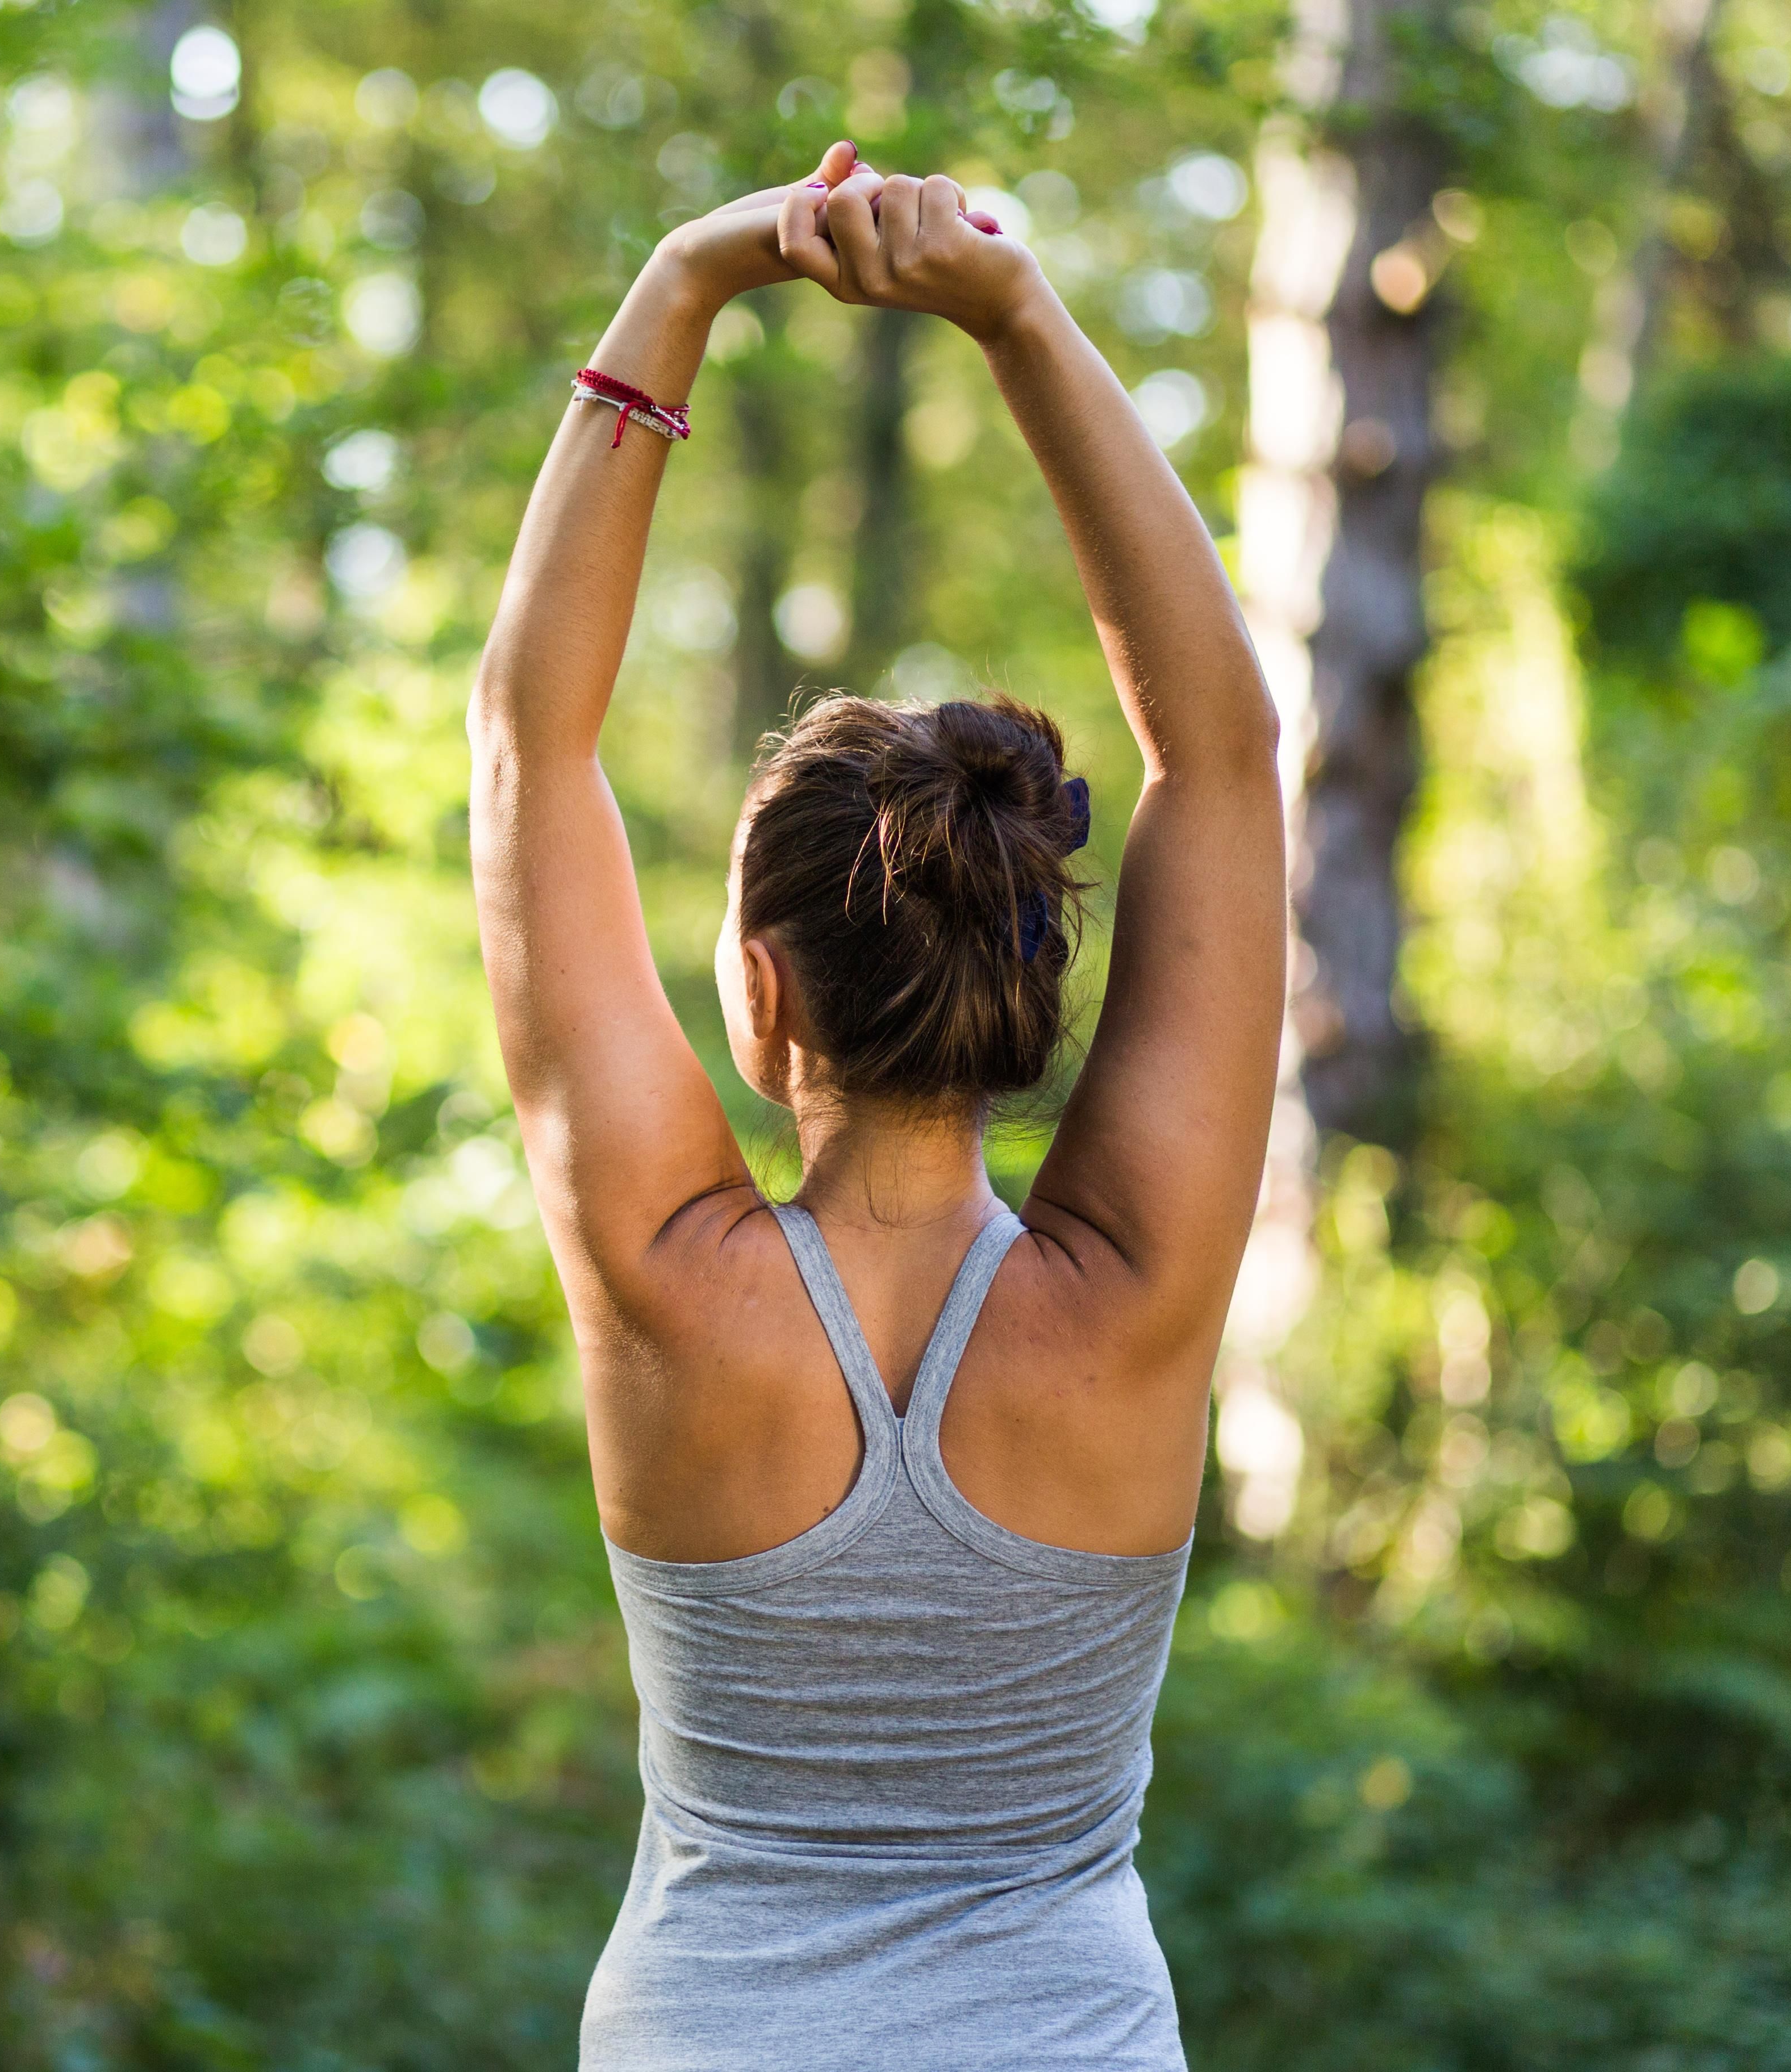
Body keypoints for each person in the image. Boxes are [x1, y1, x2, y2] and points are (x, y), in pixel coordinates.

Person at [467, 136, 1284, 2069]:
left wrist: (684, 278)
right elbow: (1224, 763)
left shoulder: (673, 1282)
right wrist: (1013, 311)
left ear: (761, 993)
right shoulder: (1136, 1300)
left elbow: (529, 740)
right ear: (1030, 980)